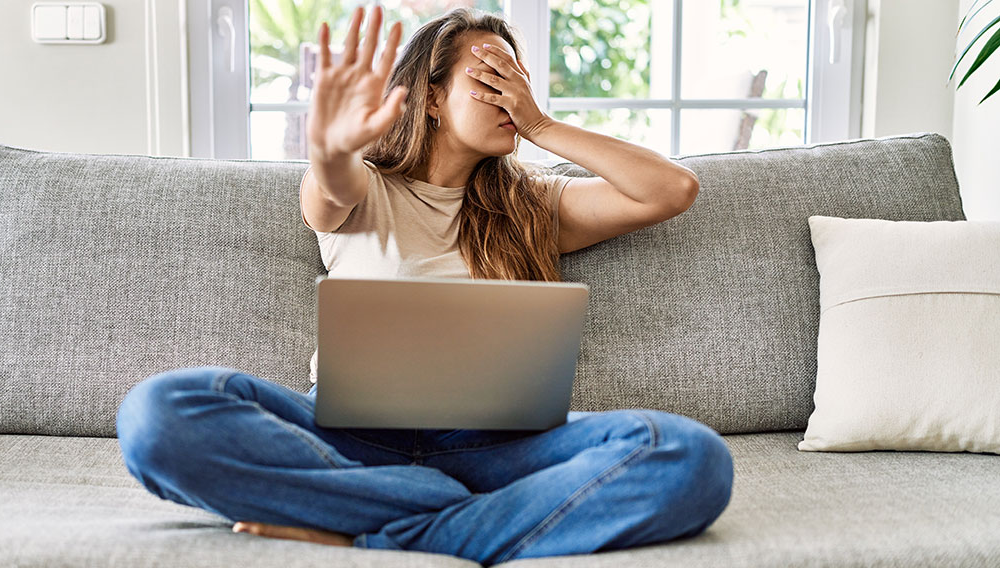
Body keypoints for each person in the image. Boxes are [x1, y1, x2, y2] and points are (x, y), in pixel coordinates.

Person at [116, 5, 733, 566]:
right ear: (431, 99)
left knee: (685, 455)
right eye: (490, 79)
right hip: (347, 441)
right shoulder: (364, 188)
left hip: (497, 449)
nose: (508, 97)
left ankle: (378, 531)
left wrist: (539, 125)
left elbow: (670, 190)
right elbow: (330, 183)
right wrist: (329, 147)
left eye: (517, 81)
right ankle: (446, 509)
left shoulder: (534, 204)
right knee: (157, 413)